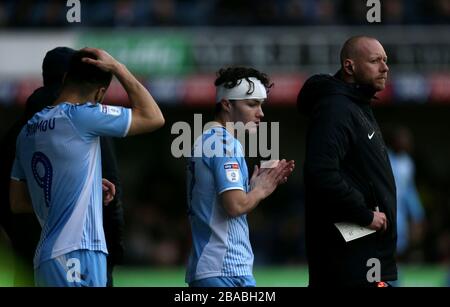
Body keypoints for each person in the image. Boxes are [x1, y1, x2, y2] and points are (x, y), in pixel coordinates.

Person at [9, 48, 164, 287]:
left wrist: (83, 188)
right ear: (100, 94)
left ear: (64, 79)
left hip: (47, 258)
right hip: (77, 251)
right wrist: (117, 67)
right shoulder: (82, 116)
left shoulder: (28, 131)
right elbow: (153, 117)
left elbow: (17, 202)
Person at [297, 36, 397, 287]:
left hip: (366, 254)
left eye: (385, 61)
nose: (385, 68)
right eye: (375, 61)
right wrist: (363, 214)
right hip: (348, 260)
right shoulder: (336, 108)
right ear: (350, 67)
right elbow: (321, 173)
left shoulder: (357, 105)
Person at [185, 67, 295, 287]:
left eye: (261, 105)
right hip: (226, 269)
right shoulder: (225, 144)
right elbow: (235, 206)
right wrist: (262, 189)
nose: (260, 113)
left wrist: (251, 188)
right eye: (252, 104)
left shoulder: (203, 140)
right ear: (227, 104)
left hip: (209, 267)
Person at [386, 125, 425, 260]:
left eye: (407, 139)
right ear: (394, 140)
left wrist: (417, 214)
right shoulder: (385, 157)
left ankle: (395, 274)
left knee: (400, 242)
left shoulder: (408, 162)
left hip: (400, 209)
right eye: (402, 139)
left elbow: (410, 190)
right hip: (385, 207)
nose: (406, 142)